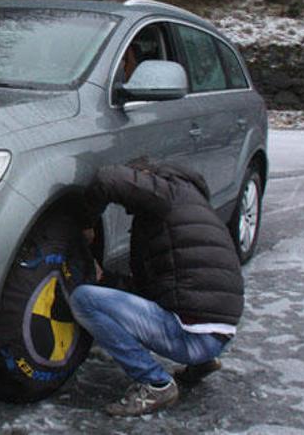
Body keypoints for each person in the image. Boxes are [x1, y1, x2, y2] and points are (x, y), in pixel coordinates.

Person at [71, 158, 244, 417]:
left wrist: (86, 224)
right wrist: (106, 279)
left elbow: (107, 178)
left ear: (144, 177)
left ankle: (155, 383)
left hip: (193, 335)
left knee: (83, 299)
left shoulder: (163, 192)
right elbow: (154, 291)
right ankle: (201, 363)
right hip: (220, 335)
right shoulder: (192, 204)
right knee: (189, 296)